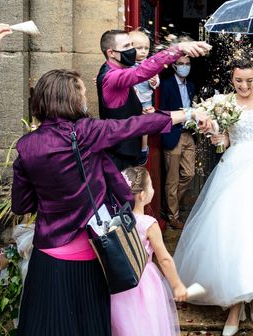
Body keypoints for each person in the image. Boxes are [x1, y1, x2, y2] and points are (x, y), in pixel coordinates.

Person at [11, 69, 210, 336]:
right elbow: (136, 125)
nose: (85, 99)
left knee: (47, 325)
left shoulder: (26, 146)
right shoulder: (86, 133)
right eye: (81, 92)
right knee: (89, 325)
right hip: (89, 253)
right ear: (69, 98)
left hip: (47, 257)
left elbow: (21, 205)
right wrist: (188, 113)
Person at [174, 56, 253, 336]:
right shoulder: (224, 102)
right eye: (238, 80)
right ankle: (239, 302)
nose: (244, 85)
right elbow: (225, 140)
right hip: (234, 167)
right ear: (231, 79)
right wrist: (217, 138)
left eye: (249, 80)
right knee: (235, 233)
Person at [96, 29, 211, 170]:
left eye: (131, 46)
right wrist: (178, 49)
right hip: (119, 158)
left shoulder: (112, 69)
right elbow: (141, 71)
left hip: (129, 152)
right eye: (126, 47)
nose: (131, 50)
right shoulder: (111, 77)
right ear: (111, 53)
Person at [111, 166, 188, 336]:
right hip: (144, 284)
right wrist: (177, 285)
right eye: (151, 186)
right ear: (143, 195)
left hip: (119, 285)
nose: (153, 189)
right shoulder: (148, 223)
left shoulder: (114, 221)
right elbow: (164, 259)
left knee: (124, 327)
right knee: (147, 325)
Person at [160, 54, 196, 229]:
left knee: (189, 174)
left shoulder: (191, 85)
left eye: (187, 64)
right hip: (172, 134)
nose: (184, 66)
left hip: (188, 133)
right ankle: (172, 215)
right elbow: (162, 112)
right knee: (172, 178)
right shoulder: (166, 85)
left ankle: (169, 204)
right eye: (181, 64)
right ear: (174, 66)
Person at [129, 30, 160, 164]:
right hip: (132, 102)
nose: (143, 51)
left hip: (146, 101)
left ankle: (143, 149)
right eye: (139, 48)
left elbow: (156, 82)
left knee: (145, 126)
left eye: (146, 48)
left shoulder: (150, 65)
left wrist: (154, 81)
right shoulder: (126, 65)